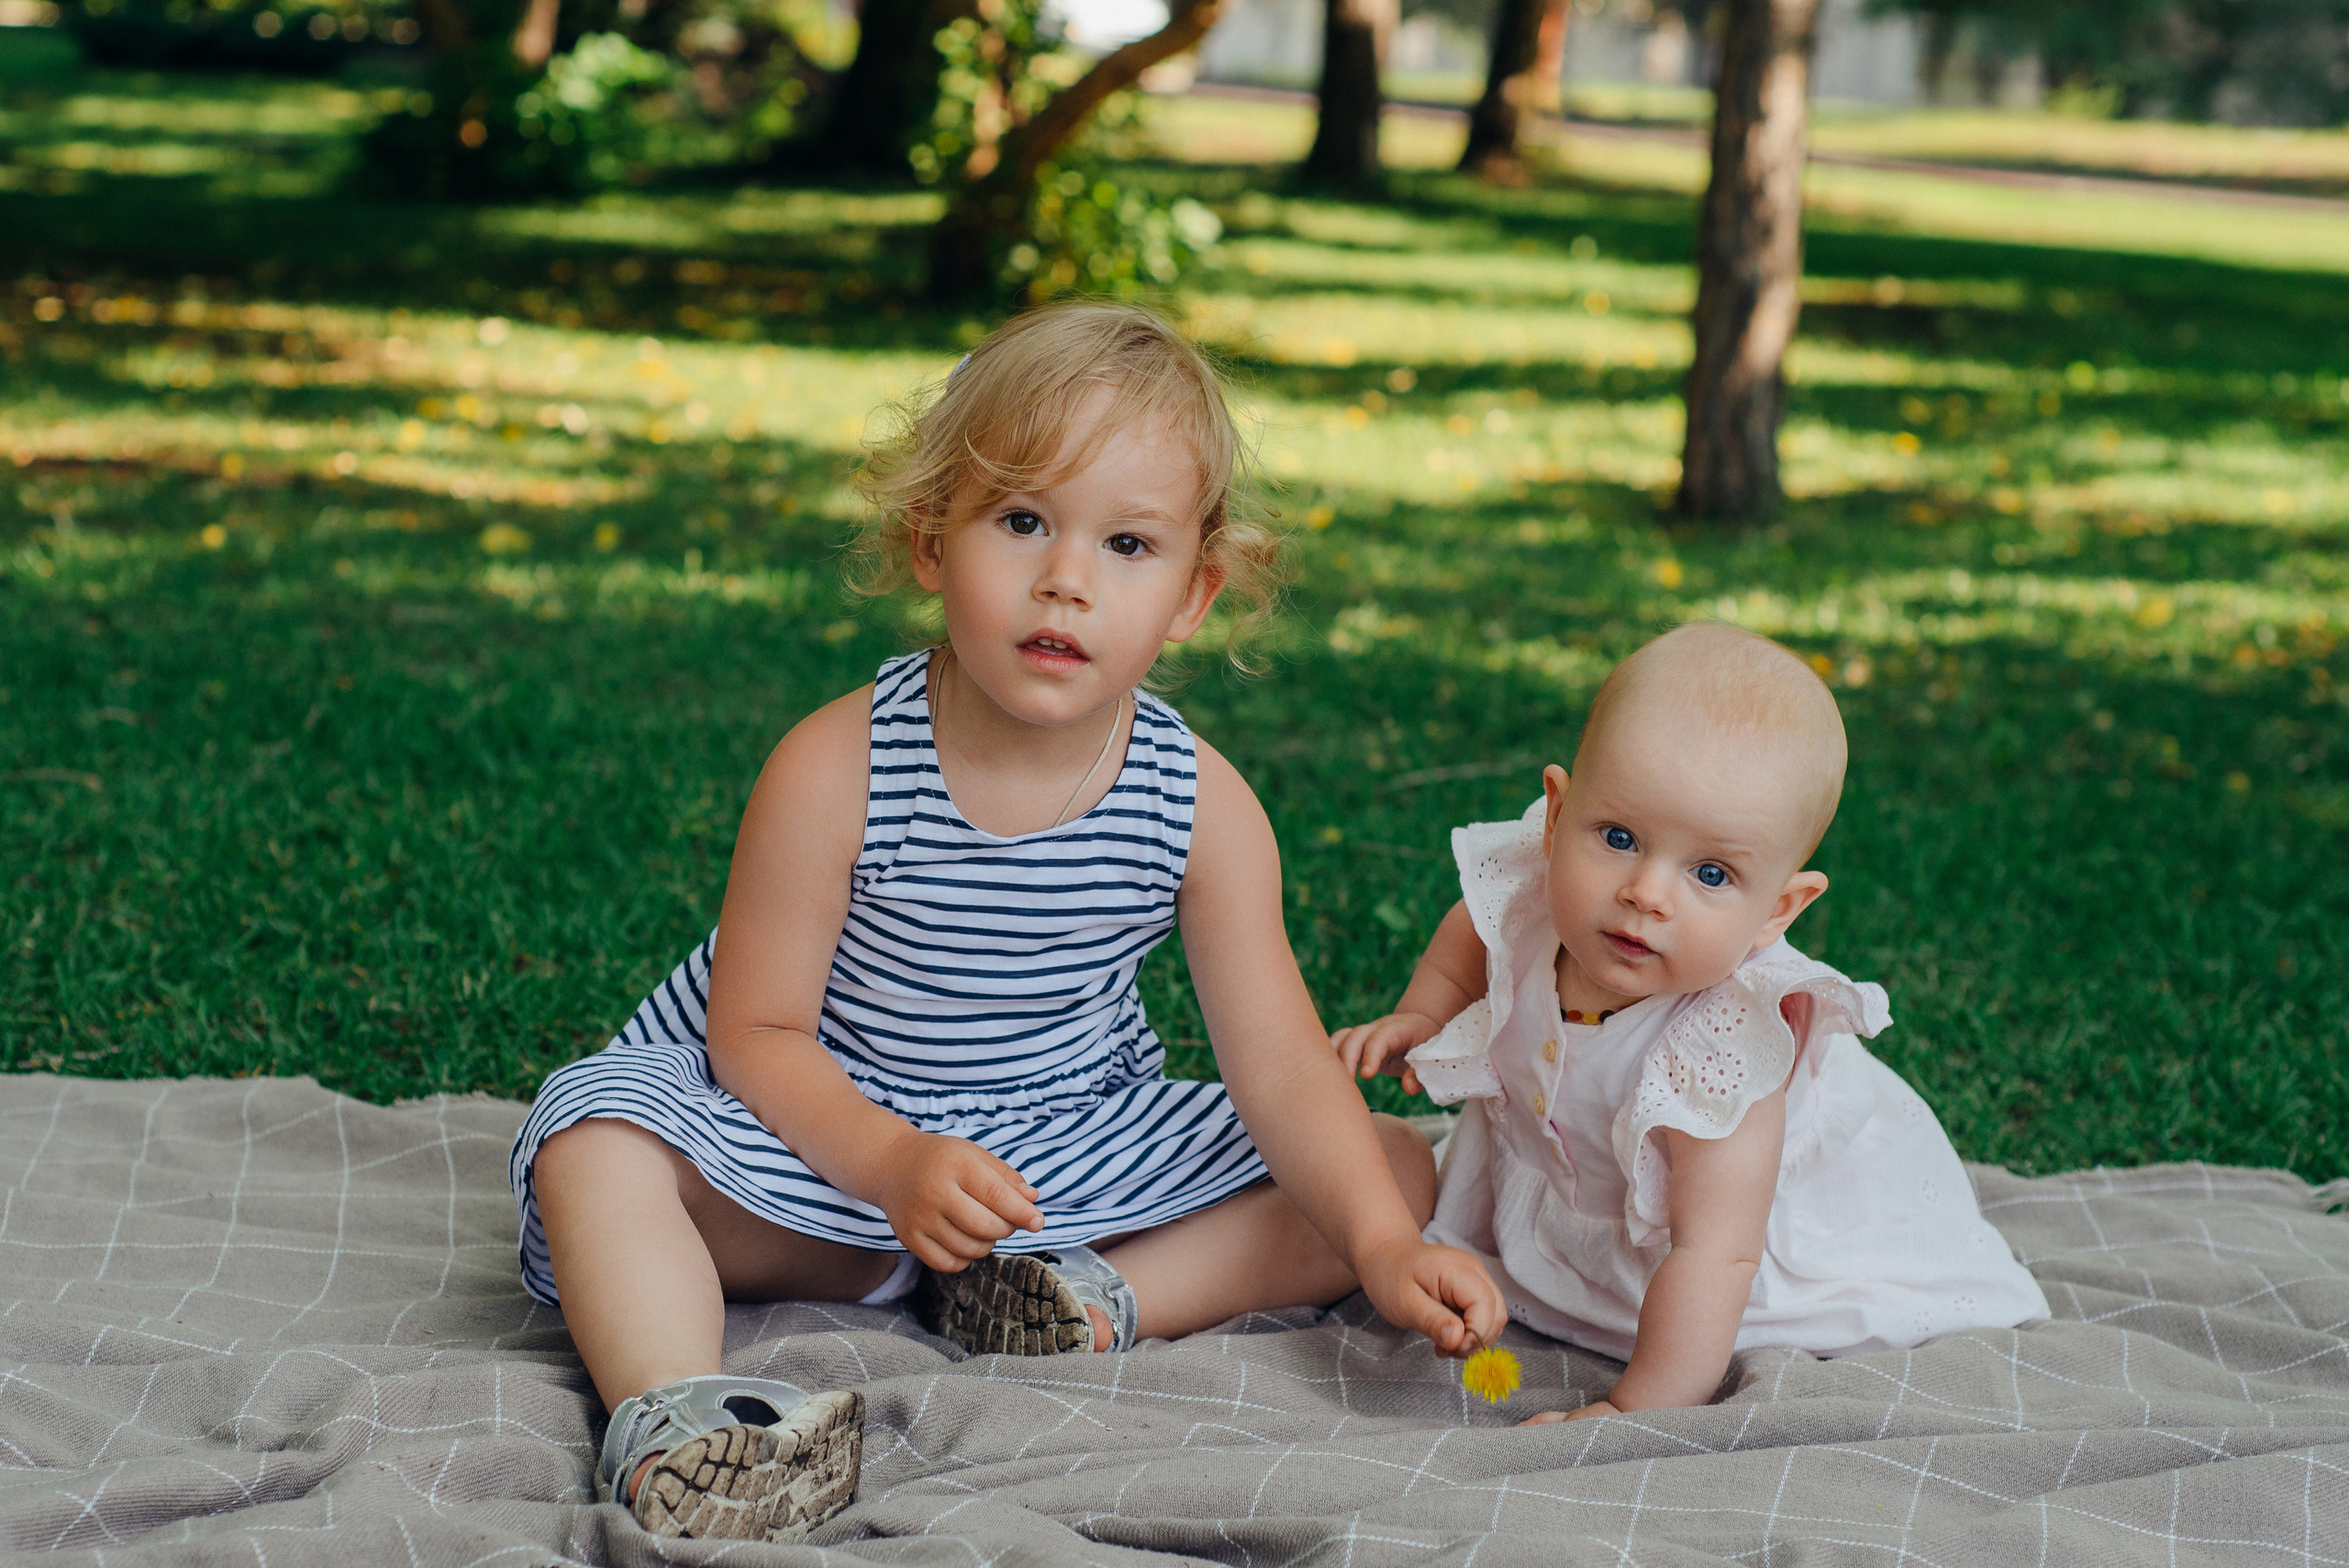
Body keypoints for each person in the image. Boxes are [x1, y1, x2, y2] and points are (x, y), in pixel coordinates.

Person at [511, 302, 1507, 1543]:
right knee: (591, 1138)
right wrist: (891, 1164)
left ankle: (1085, 1300)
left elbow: (1285, 1066)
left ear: (1195, 593)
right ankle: (684, 1419)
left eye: (1128, 544)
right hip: (814, 1146)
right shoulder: (836, 769)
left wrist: (1378, 1244)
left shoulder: (1200, 808)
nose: (1066, 579)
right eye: (1022, 520)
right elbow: (756, 1031)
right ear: (933, 542)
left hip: (1047, 1163)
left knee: (1391, 1168)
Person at [1332, 622, 2047, 1423]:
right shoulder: (1539, 897)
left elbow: (1715, 1254)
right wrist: (1421, 1014)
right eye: (1619, 837)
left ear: (1778, 909)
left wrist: (1634, 1407)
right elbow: (1475, 929)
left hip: (1721, 1241)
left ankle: (1647, 1340)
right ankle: (1554, 1263)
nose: (1647, 891)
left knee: (1715, 1281)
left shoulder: (1726, 1056)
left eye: (1711, 873)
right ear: (1558, 816)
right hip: (1576, 1183)